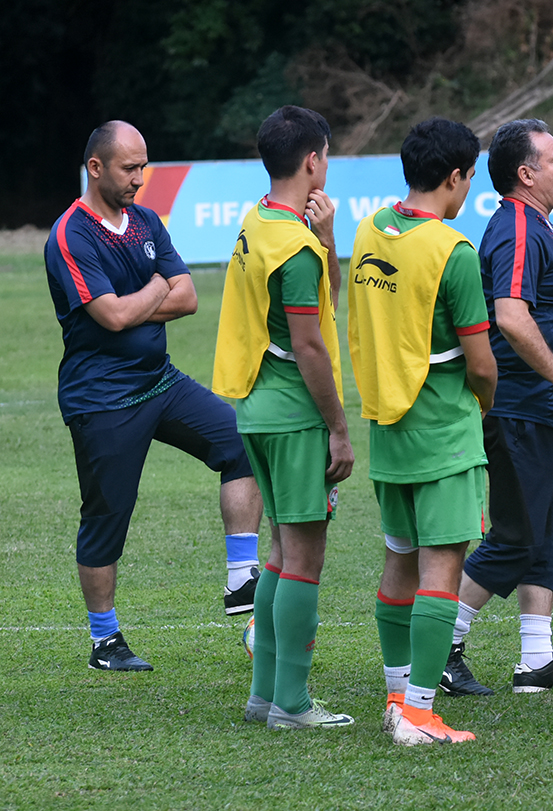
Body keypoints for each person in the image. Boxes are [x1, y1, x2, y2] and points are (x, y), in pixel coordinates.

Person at [44, 120, 263, 672]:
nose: (140, 178)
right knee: (107, 516)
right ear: (96, 167)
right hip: (102, 400)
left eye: (144, 166)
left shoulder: (145, 220)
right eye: (129, 168)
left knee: (242, 443)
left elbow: (187, 297)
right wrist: (155, 288)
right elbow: (111, 315)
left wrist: (147, 294)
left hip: (160, 381)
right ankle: (105, 640)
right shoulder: (70, 234)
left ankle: (242, 577)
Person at [347, 118, 497, 745]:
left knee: (398, 565)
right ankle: (418, 711)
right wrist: (481, 406)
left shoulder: (370, 228)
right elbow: (482, 362)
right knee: (442, 570)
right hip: (443, 430)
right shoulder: (452, 252)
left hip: (389, 428)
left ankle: (395, 692)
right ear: (457, 176)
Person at [212, 105, 354, 730]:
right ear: (312, 161)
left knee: (279, 552)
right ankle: (291, 704)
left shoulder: (260, 221)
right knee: (303, 558)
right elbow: (311, 345)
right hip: (295, 414)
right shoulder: (293, 248)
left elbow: (320, 304)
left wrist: (327, 244)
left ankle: (264, 695)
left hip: (256, 410)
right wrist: (340, 430)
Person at [441, 118, 553, 696]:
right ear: (526, 174)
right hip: (523, 408)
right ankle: (445, 645)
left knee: (550, 533)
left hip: (546, 411)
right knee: (516, 537)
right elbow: (510, 314)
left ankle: (536, 658)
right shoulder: (518, 228)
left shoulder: (539, 225)